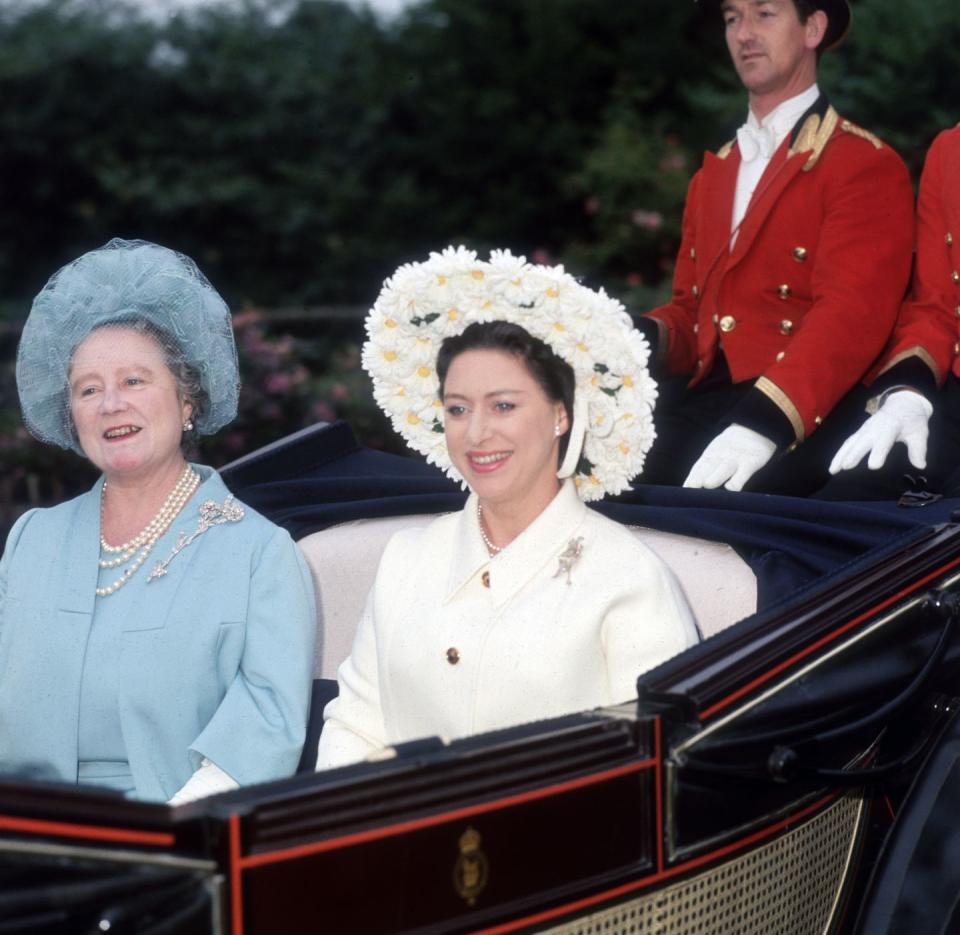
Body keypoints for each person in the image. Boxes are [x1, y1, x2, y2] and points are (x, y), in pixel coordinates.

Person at [316, 247, 699, 770]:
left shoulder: (629, 579)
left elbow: (659, 768)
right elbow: (355, 726)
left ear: (562, 415)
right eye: (457, 409)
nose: (476, 434)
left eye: (503, 405)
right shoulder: (406, 557)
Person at [1, 239, 315, 803]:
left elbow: (267, 726)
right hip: (25, 835)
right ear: (71, 416)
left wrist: (167, 842)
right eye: (88, 389)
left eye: (134, 381)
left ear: (188, 398)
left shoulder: (257, 553)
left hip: (172, 846)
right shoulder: (31, 541)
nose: (110, 404)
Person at [636, 0, 914, 495]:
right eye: (731, 18)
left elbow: (850, 316)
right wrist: (624, 335)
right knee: (595, 490)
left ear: (813, 27)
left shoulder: (862, 162)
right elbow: (692, 313)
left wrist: (765, 421)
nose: (744, 34)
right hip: (706, 400)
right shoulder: (711, 175)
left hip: (808, 408)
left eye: (764, 14)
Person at [820, 124, 960, 500]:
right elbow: (936, 305)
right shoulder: (950, 149)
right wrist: (907, 394)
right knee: (845, 508)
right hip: (953, 396)